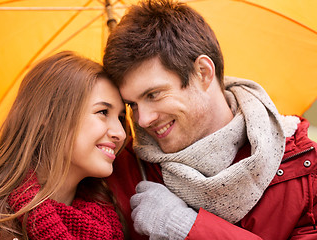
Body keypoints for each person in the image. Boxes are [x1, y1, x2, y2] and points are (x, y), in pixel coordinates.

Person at [103, 0, 317, 239]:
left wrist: (183, 226)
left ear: (203, 72)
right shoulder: (120, 168)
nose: (142, 120)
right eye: (132, 104)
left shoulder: (307, 171)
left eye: (153, 94)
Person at [0, 51, 128, 239]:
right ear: (50, 116)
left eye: (121, 118)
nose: (120, 133)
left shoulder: (112, 221)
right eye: (103, 112)